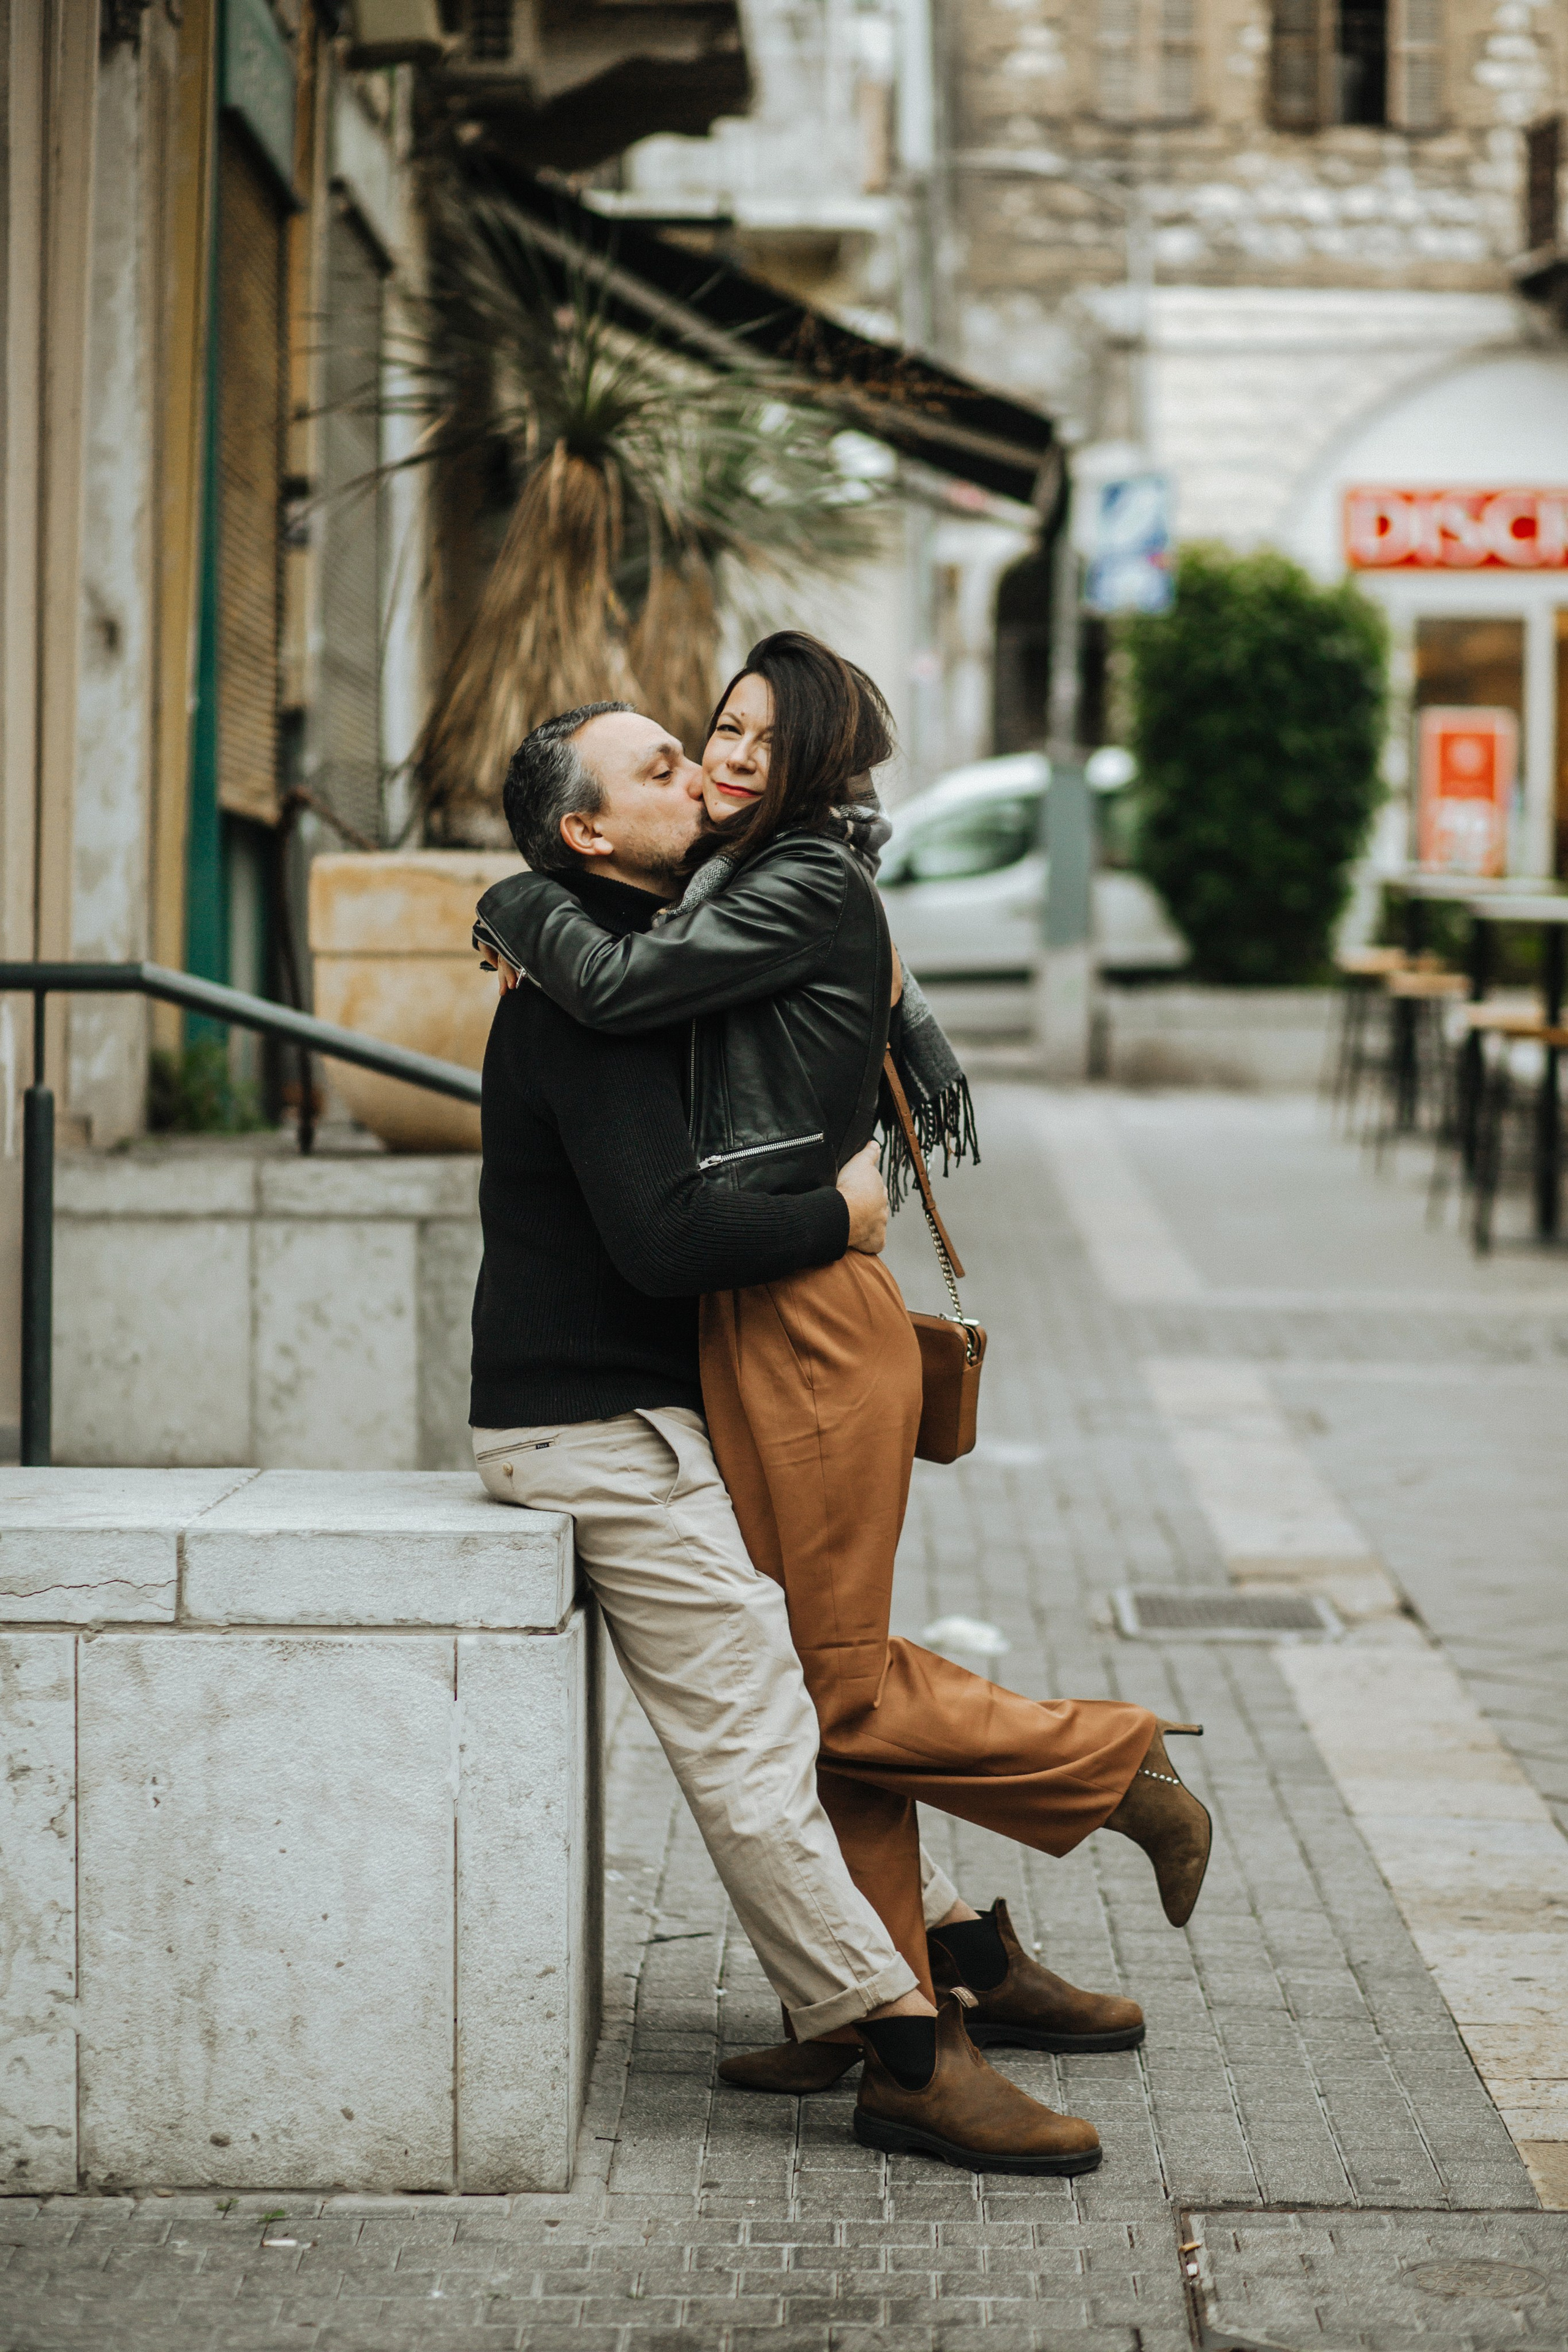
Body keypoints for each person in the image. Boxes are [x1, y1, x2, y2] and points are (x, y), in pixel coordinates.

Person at [475, 637, 1213, 2107]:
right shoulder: (725, 891)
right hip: (751, 1321)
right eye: (704, 737)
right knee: (817, 1685)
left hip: (800, 1310)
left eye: (753, 743)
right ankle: (941, 1972)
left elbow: (620, 999)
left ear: (816, 765)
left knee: (828, 1687)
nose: (720, 762)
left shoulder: (786, 884)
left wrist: (509, 897)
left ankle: (1103, 1776)